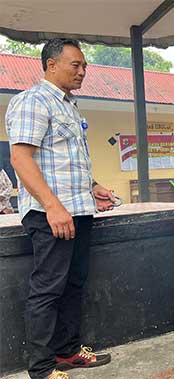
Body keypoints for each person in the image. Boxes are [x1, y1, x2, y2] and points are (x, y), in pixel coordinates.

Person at [5, 38, 114, 379]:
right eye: (75, 65)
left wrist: (93, 186)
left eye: (84, 66)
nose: (83, 71)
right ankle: (41, 368)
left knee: (74, 284)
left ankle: (67, 352)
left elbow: (66, 160)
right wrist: (52, 206)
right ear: (51, 65)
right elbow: (20, 157)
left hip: (78, 212)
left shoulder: (69, 106)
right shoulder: (33, 101)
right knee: (48, 288)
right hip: (50, 214)